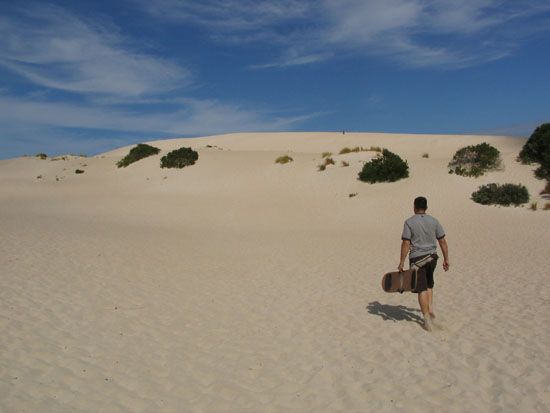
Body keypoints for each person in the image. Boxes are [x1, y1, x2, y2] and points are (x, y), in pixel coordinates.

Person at [398, 196, 449, 331]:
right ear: (426, 207)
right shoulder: (434, 221)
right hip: (432, 258)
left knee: (421, 289)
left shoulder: (409, 222)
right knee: (429, 284)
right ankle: (430, 308)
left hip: (417, 260)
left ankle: (426, 319)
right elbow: (442, 241)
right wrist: (446, 259)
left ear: (414, 206)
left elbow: (406, 243)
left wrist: (401, 262)